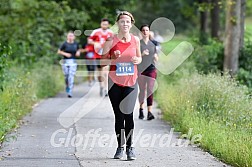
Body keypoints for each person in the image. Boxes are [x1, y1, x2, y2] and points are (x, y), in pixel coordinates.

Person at [101, 11, 142, 160]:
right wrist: (112, 57)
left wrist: (138, 59)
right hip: (114, 82)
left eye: (128, 22)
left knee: (129, 115)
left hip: (131, 82)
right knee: (119, 117)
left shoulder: (135, 40)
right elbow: (102, 62)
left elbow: (139, 57)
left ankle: (130, 148)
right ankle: (120, 147)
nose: (125, 24)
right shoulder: (110, 40)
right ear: (117, 23)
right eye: (122, 21)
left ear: (131, 24)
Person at [138, 24, 159, 120]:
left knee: (150, 90)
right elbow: (135, 58)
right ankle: (141, 109)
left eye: (147, 30)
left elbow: (156, 57)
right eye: (143, 30)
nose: (145, 32)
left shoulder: (153, 44)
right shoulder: (138, 43)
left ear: (149, 31)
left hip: (151, 69)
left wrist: (156, 57)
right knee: (142, 90)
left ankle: (149, 112)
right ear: (141, 32)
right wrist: (142, 54)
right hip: (141, 70)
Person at [88, 18, 113, 96]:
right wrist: (95, 43)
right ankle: (101, 86)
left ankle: (105, 89)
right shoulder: (96, 32)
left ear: (108, 25)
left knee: (105, 72)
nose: (104, 25)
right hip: (98, 55)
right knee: (100, 73)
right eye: (103, 24)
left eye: (106, 24)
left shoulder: (111, 33)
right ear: (101, 24)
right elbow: (89, 41)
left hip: (107, 55)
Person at [57, 31, 80, 98]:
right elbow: (59, 51)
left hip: (73, 61)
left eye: (72, 36)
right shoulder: (64, 44)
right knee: (66, 75)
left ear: (74, 37)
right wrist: (65, 54)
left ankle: (70, 91)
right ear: (67, 36)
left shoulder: (76, 44)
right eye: (69, 36)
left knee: (71, 75)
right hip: (65, 61)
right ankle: (67, 85)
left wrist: (78, 52)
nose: (70, 37)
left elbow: (78, 50)